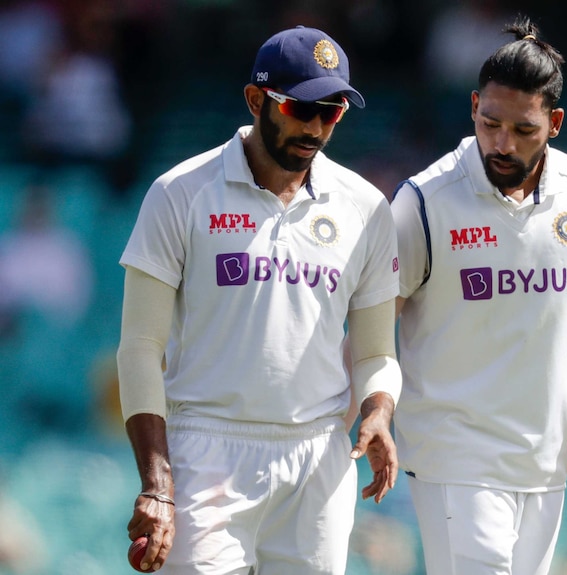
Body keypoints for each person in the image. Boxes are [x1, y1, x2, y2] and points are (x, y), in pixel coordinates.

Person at [116, 26, 401, 574]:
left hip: (319, 456)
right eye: (301, 107)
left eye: (333, 111)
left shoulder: (365, 207)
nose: (316, 127)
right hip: (205, 452)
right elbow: (139, 348)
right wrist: (157, 482)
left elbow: (375, 355)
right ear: (256, 100)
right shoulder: (180, 193)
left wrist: (378, 410)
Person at [391, 16, 567, 575]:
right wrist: (373, 414)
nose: (501, 143)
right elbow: (375, 327)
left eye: (523, 130)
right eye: (489, 122)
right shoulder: (424, 201)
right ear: (474, 105)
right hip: (454, 460)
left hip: (547, 467)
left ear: (555, 122)